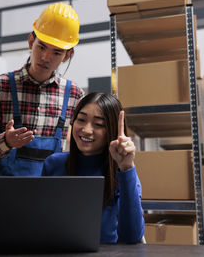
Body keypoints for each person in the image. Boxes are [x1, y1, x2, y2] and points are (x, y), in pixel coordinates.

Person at [0, 2, 84, 176]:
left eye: (56, 52)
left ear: (67, 55)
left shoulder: (74, 95)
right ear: (30, 42)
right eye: (41, 46)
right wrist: (6, 141)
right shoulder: (0, 86)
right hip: (2, 194)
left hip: (49, 194)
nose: (45, 57)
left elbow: (83, 147)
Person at [42, 92, 144, 244]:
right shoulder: (53, 164)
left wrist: (126, 167)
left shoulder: (122, 172)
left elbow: (132, 237)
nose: (86, 130)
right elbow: (41, 225)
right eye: (81, 120)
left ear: (112, 130)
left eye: (98, 124)